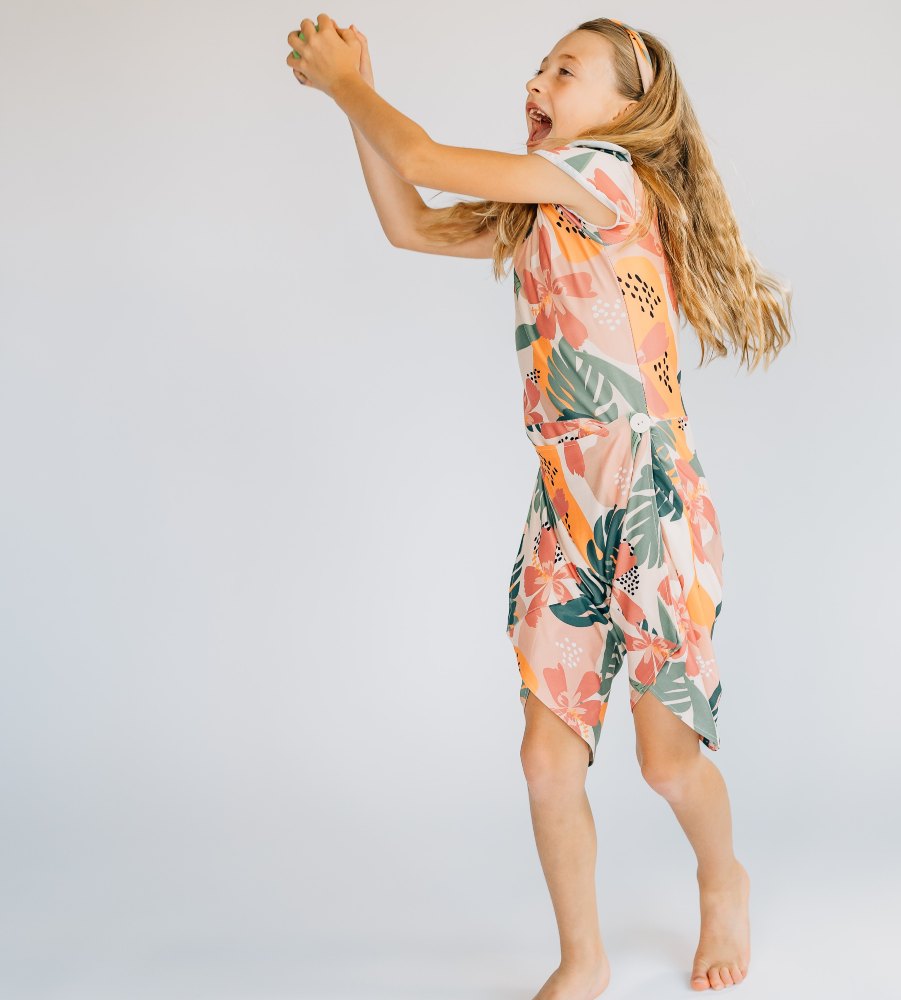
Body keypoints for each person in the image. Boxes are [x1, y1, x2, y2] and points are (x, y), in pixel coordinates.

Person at [287, 14, 793, 997]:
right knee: (543, 758)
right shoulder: (534, 210)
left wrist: (348, 85)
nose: (538, 76)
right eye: (539, 64)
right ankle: (583, 956)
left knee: (663, 759)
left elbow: (427, 154)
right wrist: (356, 101)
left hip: (645, 499)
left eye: (566, 68)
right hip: (563, 502)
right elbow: (407, 217)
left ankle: (722, 873)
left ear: (627, 112)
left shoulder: (603, 177)